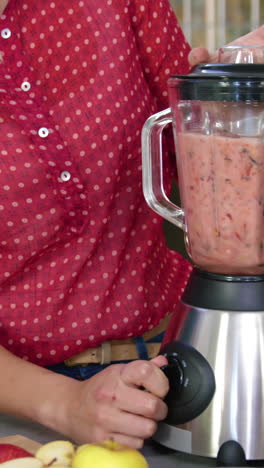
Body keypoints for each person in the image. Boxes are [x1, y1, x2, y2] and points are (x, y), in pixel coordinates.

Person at [0, 0, 263, 448]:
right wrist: (65, 404)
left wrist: (244, 92)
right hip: (20, 413)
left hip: (165, 368)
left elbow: (205, 142)